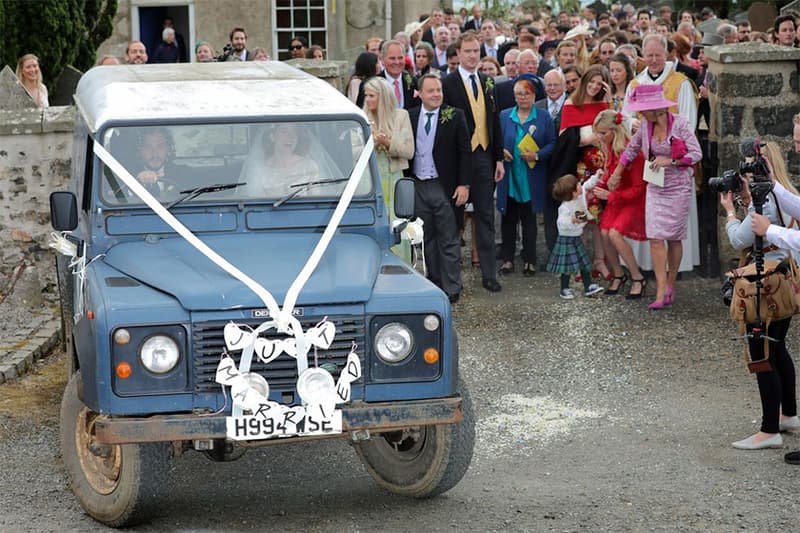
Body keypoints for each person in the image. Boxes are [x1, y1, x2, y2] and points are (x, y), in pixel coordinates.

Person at [725, 141, 800, 451]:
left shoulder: (765, 201)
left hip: (764, 284)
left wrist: (730, 214)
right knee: (778, 345)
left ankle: (769, 430)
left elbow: (739, 239)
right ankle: (788, 414)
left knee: (761, 351)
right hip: (787, 279)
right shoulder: (786, 193)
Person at [609, 84, 701, 309]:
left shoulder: (679, 123)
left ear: (656, 108)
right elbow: (631, 150)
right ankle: (660, 289)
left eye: (644, 109)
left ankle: (671, 283)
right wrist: (617, 174)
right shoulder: (644, 128)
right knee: (655, 237)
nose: (641, 113)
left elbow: (696, 153)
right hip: (656, 187)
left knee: (673, 237)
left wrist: (671, 161)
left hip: (678, 186)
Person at [442, 30, 505, 293]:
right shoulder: (447, 84)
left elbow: (494, 121)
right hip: (458, 158)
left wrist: (498, 157)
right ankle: (452, 279)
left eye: (476, 51)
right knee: (454, 219)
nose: (472, 56)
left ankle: (489, 273)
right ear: (458, 54)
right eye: (467, 51)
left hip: (484, 156)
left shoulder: (487, 82)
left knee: (485, 216)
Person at [406, 73, 471, 303]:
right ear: (420, 94)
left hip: (444, 185)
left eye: (439, 90)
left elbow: (465, 151)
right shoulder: (410, 116)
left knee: (449, 237)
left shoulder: (454, 116)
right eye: (431, 91)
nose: (436, 95)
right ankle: (434, 281)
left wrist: (464, 184)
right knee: (426, 237)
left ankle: (453, 287)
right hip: (418, 185)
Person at [551, 64, 611, 279]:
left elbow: (614, 129)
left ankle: (600, 261)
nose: (594, 87)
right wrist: (588, 138)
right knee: (581, 215)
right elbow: (565, 141)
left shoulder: (604, 103)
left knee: (600, 217)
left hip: (602, 167)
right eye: (591, 82)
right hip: (581, 168)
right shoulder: (571, 104)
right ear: (585, 81)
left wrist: (610, 97)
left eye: (599, 83)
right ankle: (579, 263)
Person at [497, 78, 556, 276]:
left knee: (529, 221)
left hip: (531, 176)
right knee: (508, 220)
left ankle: (530, 259)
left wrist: (537, 155)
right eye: (519, 94)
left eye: (527, 94)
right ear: (514, 97)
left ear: (534, 96)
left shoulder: (543, 117)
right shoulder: (505, 116)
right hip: (510, 174)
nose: (523, 98)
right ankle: (507, 259)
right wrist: (501, 151)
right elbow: (495, 140)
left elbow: (552, 144)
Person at [591, 110, 647, 298]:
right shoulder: (609, 148)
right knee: (605, 233)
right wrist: (598, 186)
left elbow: (639, 188)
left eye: (603, 133)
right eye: (598, 132)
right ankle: (618, 273)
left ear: (615, 131)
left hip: (633, 200)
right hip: (617, 197)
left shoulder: (633, 153)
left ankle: (637, 276)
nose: (599, 137)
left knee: (614, 234)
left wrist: (609, 195)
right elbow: (608, 176)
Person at [362, 77, 415, 263]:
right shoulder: (361, 118)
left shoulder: (401, 116)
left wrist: (388, 142)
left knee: (396, 223)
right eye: (366, 95)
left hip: (393, 178)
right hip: (368, 180)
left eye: (371, 95)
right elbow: (352, 152)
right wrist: (372, 145)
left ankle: (399, 262)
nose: (367, 99)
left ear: (382, 96)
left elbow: (409, 150)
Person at [546, 173, 605, 299]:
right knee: (566, 266)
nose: (580, 185)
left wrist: (597, 176)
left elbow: (588, 184)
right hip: (566, 238)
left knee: (584, 263)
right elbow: (560, 223)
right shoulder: (565, 207)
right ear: (572, 193)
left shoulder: (580, 194)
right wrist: (572, 220)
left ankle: (588, 286)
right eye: (577, 185)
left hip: (576, 236)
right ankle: (564, 288)